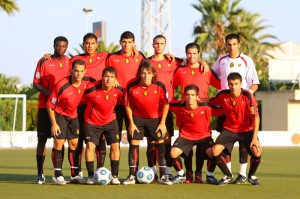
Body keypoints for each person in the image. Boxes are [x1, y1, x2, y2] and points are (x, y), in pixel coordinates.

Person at [212, 33, 260, 184]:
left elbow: (255, 82)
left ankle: (242, 174)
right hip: (224, 105)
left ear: (239, 44)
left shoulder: (247, 60)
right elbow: (211, 75)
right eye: (229, 44)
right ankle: (227, 174)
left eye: (234, 44)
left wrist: (248, 96)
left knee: (244, 144)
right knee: (226, 145)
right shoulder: (221, 60)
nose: (231, 47)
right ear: (225, 45)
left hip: (243, 106)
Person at [172, 43, 220, 183]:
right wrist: (179, 102)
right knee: (186, 144)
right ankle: (188, 174)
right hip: (185, 113)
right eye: (189, 53)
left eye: (194, 53)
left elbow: (221, 86)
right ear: (186, 54)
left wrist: (209, 101)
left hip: (202, 114)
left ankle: (199, 173)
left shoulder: (205, 70)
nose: (191, 56)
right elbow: (170, 87)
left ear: (199, 54)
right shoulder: (180, 71)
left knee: (202, 145)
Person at [123, 60, 172, 185]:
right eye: (143, 73)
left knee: (160, 144)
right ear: (139, 74)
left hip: (155, 119)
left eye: (148, 73)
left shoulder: (159, 86)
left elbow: (166, 105)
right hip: (137, 119)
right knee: (134, 145)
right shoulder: (132, 85)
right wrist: (131, 123)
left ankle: (164, 176)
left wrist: (162, 123)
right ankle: (132, 176)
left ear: (153, 74)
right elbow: (128, 105)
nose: (146, 76)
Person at [210, 72, 262, 186]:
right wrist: (196, 99)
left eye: (236, 84)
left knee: (257, 151)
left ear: (241, 83)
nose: (233, 87)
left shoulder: (248, 96)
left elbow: (256, 117)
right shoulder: (223, 95)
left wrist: (255, 138)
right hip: (229, 129)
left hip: (247, 130)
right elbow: (210, 101)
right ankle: (228, 176)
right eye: (231, 84)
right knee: (215, 150)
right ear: (228, 84)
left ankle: (251, 176)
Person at [70, 33, 109, 177]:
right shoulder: (75, 60)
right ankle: (76, 173)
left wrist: (137, 51)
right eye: (87, 43)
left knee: (100, 140)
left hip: (98, 105)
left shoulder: (105, 56)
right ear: (83, 44)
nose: (89, 46)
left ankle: (99, 171)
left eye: (92, 43)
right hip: (79, 105)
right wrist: (47, 56)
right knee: (78, 140)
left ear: (97, 44)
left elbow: (124, 55)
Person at [33, 36, 70, 184]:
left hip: (61, 109)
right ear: (53, 46)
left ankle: (57, 173)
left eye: (63, 46)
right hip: (44, 106)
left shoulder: (69, 61)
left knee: (60, 141)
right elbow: (36, 83)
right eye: (58, 46)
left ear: (67, 47)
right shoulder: (44, 61)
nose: (60, 48)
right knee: (42, 139)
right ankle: (40, 173)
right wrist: (52, 95)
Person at [169, 84, 223, 185]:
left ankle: (208, 175)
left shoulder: (206, 106)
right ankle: (182, 175)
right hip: (185, 136)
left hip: (204, 136)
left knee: (213, 152)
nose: (190, 97)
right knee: (173, 153)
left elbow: (223, 109)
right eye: (188, 95)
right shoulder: (178, 105)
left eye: (193, 95)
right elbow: (166, 104)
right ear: (184, 96)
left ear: (197, 97)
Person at [146, 35, 183, 178]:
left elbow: (190, 61)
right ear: (153, 45)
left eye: (162, 43)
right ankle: (152, 170)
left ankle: (167, 170)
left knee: (167, 139)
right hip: (151, 106)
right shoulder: (147, 62)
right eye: (156, 43)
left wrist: (203, 62)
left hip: (167, 106)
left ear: (165, 45)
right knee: (151, 140)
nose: (159, 46)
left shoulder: (172, 61)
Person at [47, 59, 88, 185]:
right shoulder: (61, 85)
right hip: (60, 116)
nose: (79, 74)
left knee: (74, 144)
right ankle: (57, 174)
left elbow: (102, 83)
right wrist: (54, 123)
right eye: (76, 71)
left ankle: (74, 174)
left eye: (81, 71)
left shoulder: (86, 84)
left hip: (73, 117)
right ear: (72, 71)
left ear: (85, 72)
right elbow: (50, 105)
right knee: (59, 144)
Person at [83, 66, 124, 185]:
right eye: (106, 76)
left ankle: (115, 176)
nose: (109, 79)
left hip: (111, 121)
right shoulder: (91, 89)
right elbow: (79, 100)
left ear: (115, 79)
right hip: (92, 122)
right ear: (102, 77)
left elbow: (128, 101)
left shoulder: (119, 90)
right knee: (90, 147)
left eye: (112, 77)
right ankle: (90, 176)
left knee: (115, 146)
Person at [106, 31, 146, 144]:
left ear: (133, 43)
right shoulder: (112, 57)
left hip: (134, 103)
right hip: (116, 103)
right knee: (115, 138)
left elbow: (151, 68)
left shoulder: (140, 57)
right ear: (120, 42)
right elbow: (104, 74)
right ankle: (115, 162)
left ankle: (134, 163)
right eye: (124, 42)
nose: (126, 45)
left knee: (133, 138)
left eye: (129, 42)